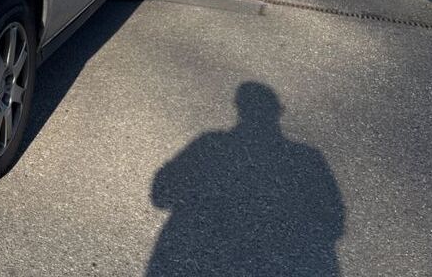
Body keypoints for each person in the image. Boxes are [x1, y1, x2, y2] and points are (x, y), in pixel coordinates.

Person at [146, 82, 345, 277]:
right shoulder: (306, 159)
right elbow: (333, 222)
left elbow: (161, 194)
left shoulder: (210, 146)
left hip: (203, 259)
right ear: (278, 112)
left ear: (239, 109)